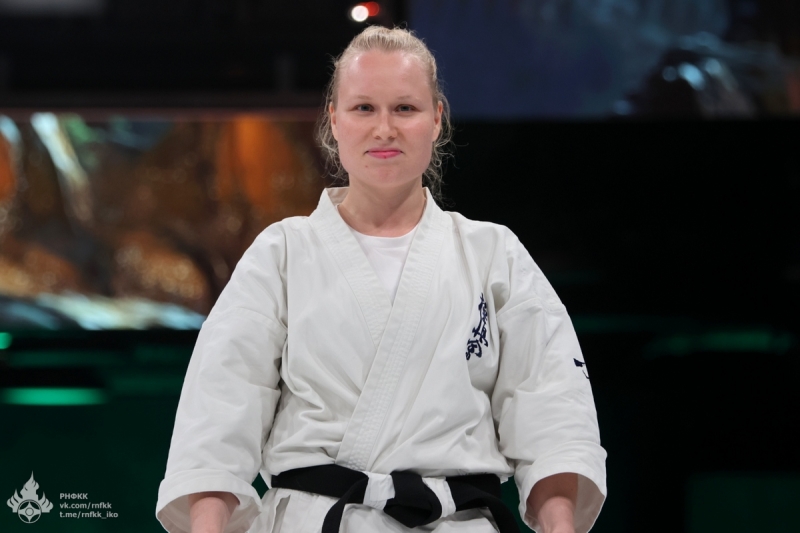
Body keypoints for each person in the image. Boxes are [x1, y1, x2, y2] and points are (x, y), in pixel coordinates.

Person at [155, 26, 606, 533]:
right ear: (334, 120)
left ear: (436, 119)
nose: (384, 128)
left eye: (405, 108)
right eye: (364, 108)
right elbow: (220, 408)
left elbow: (550, 406)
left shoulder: (492, 253)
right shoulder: (281, 253)